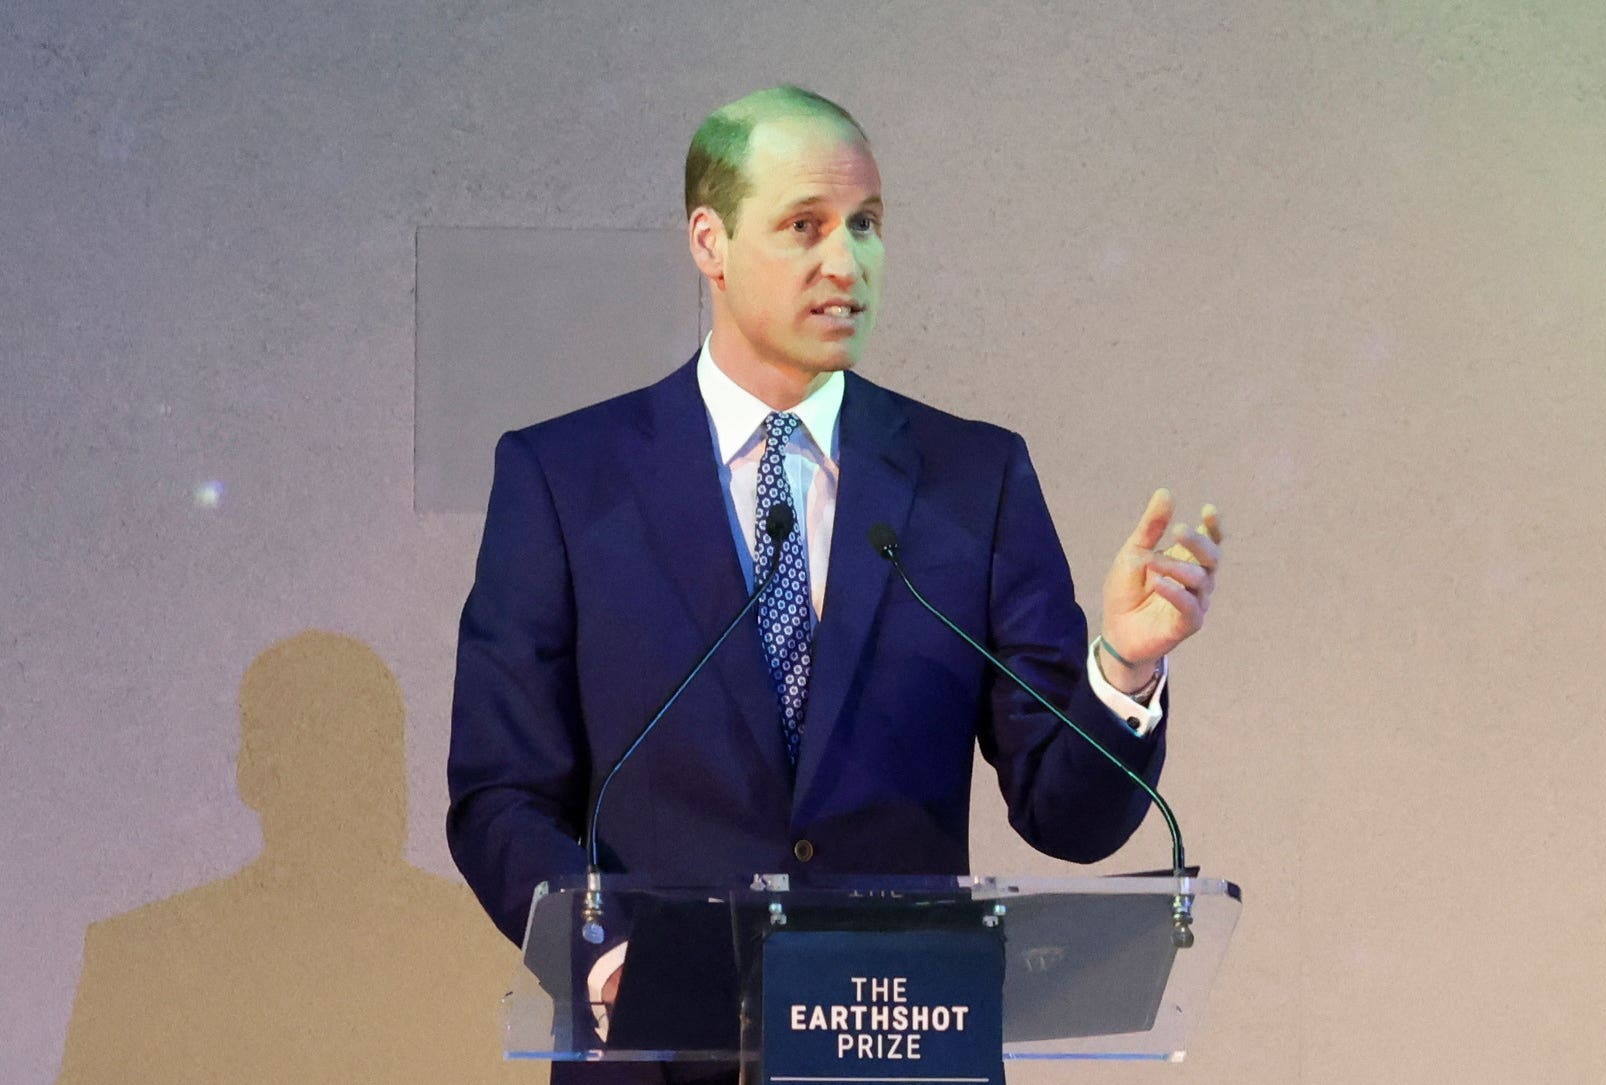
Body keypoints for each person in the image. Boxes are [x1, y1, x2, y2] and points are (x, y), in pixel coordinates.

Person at [447, 86, 1223, 1082]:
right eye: (804, 226)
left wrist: (1121, 666)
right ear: (708, 241)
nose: (844, 261)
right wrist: (600, 954)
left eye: (866, 226)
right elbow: (501, 793)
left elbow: (1065, 815)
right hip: (658, 1051)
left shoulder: (968, 479)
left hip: (900, 1050)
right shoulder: (567, 479)